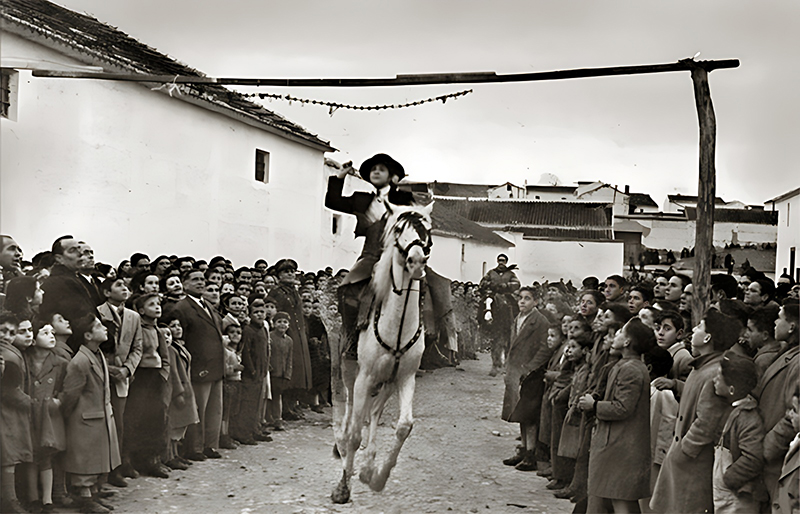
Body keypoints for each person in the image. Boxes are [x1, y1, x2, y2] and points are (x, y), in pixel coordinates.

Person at [650, 309, 742, 513]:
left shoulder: (715, 372)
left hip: (693, 463)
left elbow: (706, 422)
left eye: (699, 326)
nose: (694, 329)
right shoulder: (703, 367)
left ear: (708, 337)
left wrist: (684, 450)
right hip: (685, 460)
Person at [324, 154, 415, 357]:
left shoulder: (405, 200)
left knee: (429, 287)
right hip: (370, 256)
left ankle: (424, 342)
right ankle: (352, 339)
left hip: (398, 256)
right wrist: (340, 177)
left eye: (381, 169)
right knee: (347, 288)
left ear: (393, 177)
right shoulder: (361, 199)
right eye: (373, 169)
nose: (375, 171)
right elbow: (332, 201)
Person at [579, 317, 654, 513]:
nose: (616, 335)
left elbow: (623, 408)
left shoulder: (631, 369)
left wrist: (594, 405)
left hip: (621, 447)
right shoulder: (624, 365)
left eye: (621, 332)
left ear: (628, 342)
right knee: (616, 498)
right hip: (617, 445)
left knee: (621, 499)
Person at [59, 314, 121, 514]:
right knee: (84, 462)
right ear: (87, 335)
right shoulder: (80, 361)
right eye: (99, 326)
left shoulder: (97, 354)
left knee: (96, 459)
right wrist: (71, 417)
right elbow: (70, 394)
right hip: (84, 419)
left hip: (98, 416)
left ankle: (93, 493)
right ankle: (85, 499)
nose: (104, 329)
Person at [169, 269, 225, 461]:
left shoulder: (208, 306)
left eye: (202, 279)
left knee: (214, 410)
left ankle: (210, 445)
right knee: (198, 409)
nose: (201, 282)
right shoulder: (182, 307)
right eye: (195, 280)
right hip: (199, 367)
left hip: (216, 366)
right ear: (185, 284)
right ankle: (195, 448)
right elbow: (181, 338)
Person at [97, 277, 143, 486]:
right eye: (119, 286)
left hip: (123, 377)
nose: (124, 288)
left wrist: (126, 369)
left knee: (121, 424)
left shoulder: (133, 316)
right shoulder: (98, 312)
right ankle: (102, 472)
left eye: (126, 286)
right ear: (107, 292)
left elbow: (137, 347)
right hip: (103, 374)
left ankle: (118, 467)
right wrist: (109, 369)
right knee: (103, 423)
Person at [501, 286, 551, 471]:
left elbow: (545, 348)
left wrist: (529, 368)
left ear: (536, 302)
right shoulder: (519, 319)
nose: (522, 301)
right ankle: (523, 449)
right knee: (519, 413)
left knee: (529, 416)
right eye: (520, 298)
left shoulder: (540, 321)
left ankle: (531, 454)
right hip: (516, 372)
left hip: (531, 375)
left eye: (527, 298)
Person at [755, 301, 799, 506]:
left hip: (775, 460)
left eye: (780, 317)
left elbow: (794, 414)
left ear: (792, 326)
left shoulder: (798, 362)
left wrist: (767, 448)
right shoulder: (788, 354)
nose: (774, 322)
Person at [711, 352, 767, 513]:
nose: (714, 380)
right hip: (727, 495)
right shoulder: (734, 409)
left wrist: (728, 479)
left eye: (719, 377)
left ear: (731, 389)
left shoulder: (747, 417)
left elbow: (753, 458)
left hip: (738, 499)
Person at [23, 319, 68, 513]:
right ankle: (33, 498)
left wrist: (59, 401)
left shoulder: (60, 363)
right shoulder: (25, 360)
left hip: (49, 415)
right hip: (29, 413)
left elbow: (68, 387)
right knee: (30, 455)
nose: (51, 336)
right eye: (45, 333)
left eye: (52, 333)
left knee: (46, 455)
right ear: (34, 339)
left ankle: (47, 500)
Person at [126, 293, 171, 478]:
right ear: (141, 310)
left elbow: (165, 357)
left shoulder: (158, 331)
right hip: (140, 378)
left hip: (154, 377)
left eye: (158, 304)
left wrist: (162, 375)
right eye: (152, 304)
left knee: (156, 419)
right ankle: (131, 462)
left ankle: (152, 461)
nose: (157, 307)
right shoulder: (137, 329)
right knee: (136, 419)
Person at [267, 259, 312, 419]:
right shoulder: (276, 292)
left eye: (292, 271)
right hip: (286, 335)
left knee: (299, 371)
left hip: (299, 336)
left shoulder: (294, 291)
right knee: (287, 372)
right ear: (279, 275)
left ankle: (293, 404)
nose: (290, 274)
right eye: (286, 271)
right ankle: (285, 408)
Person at [40, 236, 100, 353]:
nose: (80, 253)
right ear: (59, 258)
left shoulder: (70, 278)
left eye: (79, 249)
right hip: (77, 348)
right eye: (72, 251)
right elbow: (81, 317)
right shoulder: (63, 282)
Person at [0, 312, 33, 514]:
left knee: (9, 455)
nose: (7, 336)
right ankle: (10, 502)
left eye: (12, 332)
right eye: (2, 330)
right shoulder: (7, 354)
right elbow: (10, 390)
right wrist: (32, 404)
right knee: (8, 456)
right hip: (6, 410)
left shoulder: (10, 351)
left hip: (10, 411)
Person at [640, 346, 677, 513]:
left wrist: (660, 455)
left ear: (648, 368)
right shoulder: (651, 389)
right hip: (648, 450)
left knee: (652, 496)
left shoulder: (664, 393)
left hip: (656, 453)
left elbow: (668, 425)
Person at [267, 312, 293, 429]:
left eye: (285, 322)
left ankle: (278, 419)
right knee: (268, 396)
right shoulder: (270, 337)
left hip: (282, 373)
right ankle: (268, 418)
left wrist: (287, 374)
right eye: (279, 322)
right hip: (270, 372)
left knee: (278, 396)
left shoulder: (289, 341)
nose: (282, 324)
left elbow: (289, 359)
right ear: (274, 323)